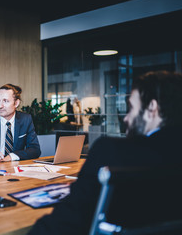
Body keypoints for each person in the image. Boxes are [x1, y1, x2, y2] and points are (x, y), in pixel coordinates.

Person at [28, 70, 182, 234]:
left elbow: (63, 224)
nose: (126, 118)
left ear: (152, 107)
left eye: (131, 108)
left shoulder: (110, 152)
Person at [0, 84, 41, 165]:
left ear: (16, 103)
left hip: (16, 169)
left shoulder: (26, 119)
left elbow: (35, 150)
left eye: (5, 101)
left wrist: (11, 156)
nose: (0, 105)